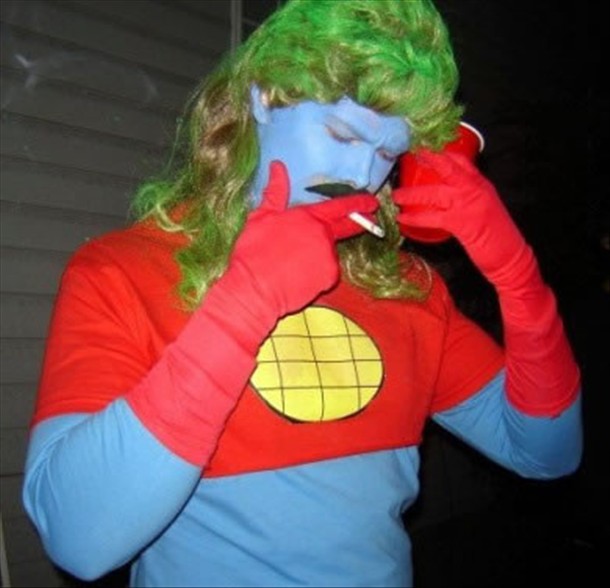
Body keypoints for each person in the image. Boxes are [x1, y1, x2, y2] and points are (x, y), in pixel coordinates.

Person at [22, 1, 583, 586]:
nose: (362, 175)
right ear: (264, 97)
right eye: (342, 133)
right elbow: (78, 540)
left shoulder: (405, 289)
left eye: (388, 153)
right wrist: (246, 302)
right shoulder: (122, 271)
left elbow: (545, 454)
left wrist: (516, 273)